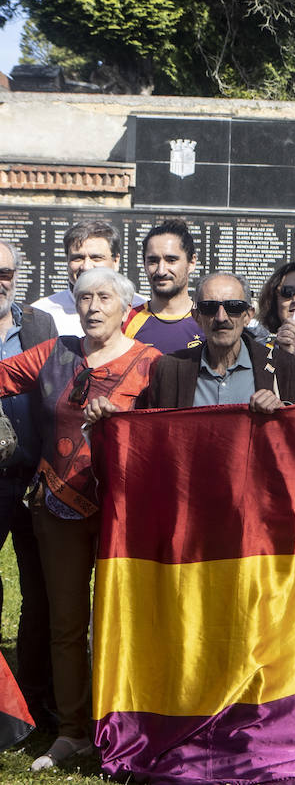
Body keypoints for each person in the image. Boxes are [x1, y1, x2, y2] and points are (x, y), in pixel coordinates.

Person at [0, 267, 159, 770]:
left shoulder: (153, 364)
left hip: (128, 512)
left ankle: (126, 724)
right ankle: (71, 731)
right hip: (58, 508)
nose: (93, 306)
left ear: (125, 308)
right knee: (67, 624)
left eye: (104, 297)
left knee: (127, 621)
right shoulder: (54, 354)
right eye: (84, 297)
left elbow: (175, 428)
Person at [0, 240, 57, 726]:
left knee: (39, 592)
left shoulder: (40, 327)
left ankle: (36, 697)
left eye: (4, 272)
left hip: (35, 478)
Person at [130, 273, 295, 411]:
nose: (221, 317)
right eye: (209, 307)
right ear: (197, 317)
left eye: (234, 307)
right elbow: (149, 432)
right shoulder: (170, 368)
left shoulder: (282, 365)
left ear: (248, 315)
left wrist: (283, 414)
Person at [32, 220, 145, 337]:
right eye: (78, 258)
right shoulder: (41, 313)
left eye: (96, 258)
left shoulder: (141, 310)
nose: (86, 267)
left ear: (116, 261)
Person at [123, 218, 202, 352]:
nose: (161, 271)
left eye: (171, 260)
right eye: (153, 261)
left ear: (192, 262)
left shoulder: (208, 321)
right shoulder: (126, 322)